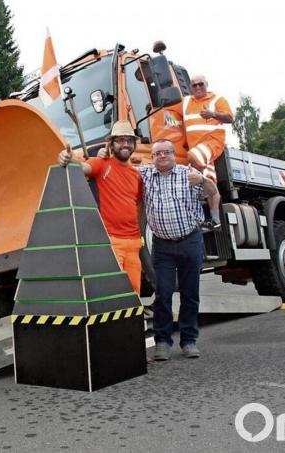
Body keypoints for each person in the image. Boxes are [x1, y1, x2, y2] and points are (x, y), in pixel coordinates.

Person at [138, 139, 220, 360]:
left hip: (190, 241)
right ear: (152, 157)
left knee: (190, 293)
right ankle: (162, 342)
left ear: (174, 155)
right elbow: (122, 166)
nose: (162, 156)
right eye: (157, 154)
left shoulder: (188, 174)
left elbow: (213, 192)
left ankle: (189, 341)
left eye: (166, 152)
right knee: (163, 294)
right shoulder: (144, 176)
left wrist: (203, 179)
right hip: (162, 246)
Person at [58, 120, 143, 294]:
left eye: (128, 140)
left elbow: (138, 205)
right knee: (114, 291)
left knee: (134, 293)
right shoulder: (102, 164)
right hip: (113, 242)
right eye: (120, 140)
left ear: (134, 144)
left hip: (134, 244)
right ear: (111, 144)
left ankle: (132, 321)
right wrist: (66, 158)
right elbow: (82, 167)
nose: (125, 144)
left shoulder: (138, 174)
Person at [182, 74, 232, 229]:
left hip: (212, 143)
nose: (197, 87)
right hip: (198, 148)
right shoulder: (186, 102)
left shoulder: (217, 100)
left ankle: (201, 192)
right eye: (194, 85)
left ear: (207, 85)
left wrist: (213, 114)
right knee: (210, 182)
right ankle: (215, 220)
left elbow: (230, 118)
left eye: (201, 84)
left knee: (192, 157)